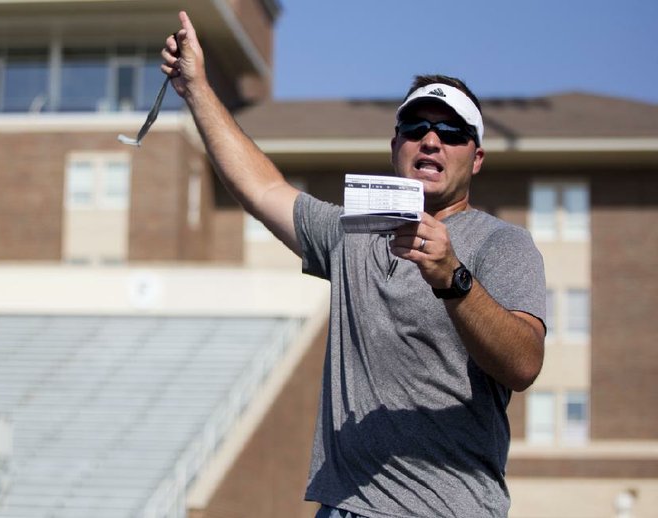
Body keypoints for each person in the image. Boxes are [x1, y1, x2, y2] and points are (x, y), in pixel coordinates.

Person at [161, 11, 546, 518]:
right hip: (345, 507)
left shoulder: (503, 244)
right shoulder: (352, 234)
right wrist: (196, 88)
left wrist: (453, 279)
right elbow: (263, 188)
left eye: (452, 132)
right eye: (417, 126)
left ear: (475, 158)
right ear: (395, 147)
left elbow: (524, 364)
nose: (431, 140)